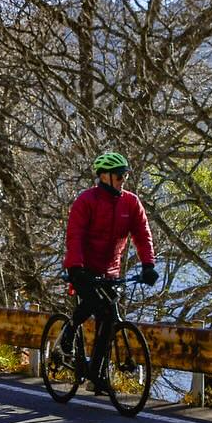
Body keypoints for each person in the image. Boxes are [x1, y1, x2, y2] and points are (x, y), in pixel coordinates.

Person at [62, 152, 158, 379]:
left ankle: (96, 375)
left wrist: (148, 265)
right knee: (95, 303)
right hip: (83, 268)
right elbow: (74, 236)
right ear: (105, 176)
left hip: (110, 271)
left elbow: (142, 235)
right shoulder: (86, 201)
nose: (124, 179)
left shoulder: (131, 202)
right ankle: (69, 332)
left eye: (125, 175)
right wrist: (75, 267)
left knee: (108, 319)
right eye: (120, 175)